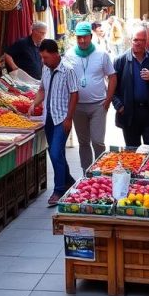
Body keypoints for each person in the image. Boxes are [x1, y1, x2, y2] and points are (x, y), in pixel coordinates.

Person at [28, 39, 79, 206]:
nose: (43, 61)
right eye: (42, 57)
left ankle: (58, 190)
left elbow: (74, 94)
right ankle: (69, 180)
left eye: (46, 57)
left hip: (61, 118)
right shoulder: (46, 69)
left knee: (56, 152)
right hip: (48, 117)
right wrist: (34, 103)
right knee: (56, 153)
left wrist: (69, 118)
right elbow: (42, 89)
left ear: (56, 55)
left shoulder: (68, 70)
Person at [63, 22, 116, 171]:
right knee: (84, 142)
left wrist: (108, 100)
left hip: (98, 105)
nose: (82, 41)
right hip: (77, 106)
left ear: (90, 37)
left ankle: (101, 171)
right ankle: (86, 173)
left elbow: (112, 76)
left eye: (85, 37)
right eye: (79, 37)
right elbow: (65, 78)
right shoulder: (69, 54)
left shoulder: (101, 53)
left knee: (98, 141)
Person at [112, 27, 149, 147]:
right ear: (131, 41)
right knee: (133, 154)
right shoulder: (120, 61)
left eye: (141, 40)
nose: (138, 43)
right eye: (135, 40)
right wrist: (119, 106)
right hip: (130, 114)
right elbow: (112, 87)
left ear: (146, 41)